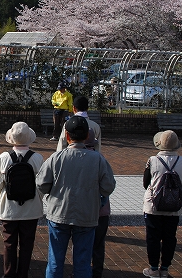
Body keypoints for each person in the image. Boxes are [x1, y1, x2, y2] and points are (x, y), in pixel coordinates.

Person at [36, 116, 116, 278]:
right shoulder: (98, 159)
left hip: (58, 213)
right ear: (87, 135)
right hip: (87, 215)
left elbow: (41, 184)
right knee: (82, 263)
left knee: (55, 262)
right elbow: (108, 187)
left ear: (66, 136)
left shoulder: (56, 158)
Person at [55, 97, 107, 278]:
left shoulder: (67, 125)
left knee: (56, 256)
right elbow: (108, 184)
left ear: (74, 107)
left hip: (66, 183)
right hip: (92, 175)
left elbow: (61, 149)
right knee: (87, 252)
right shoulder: (96, 126)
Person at [0, 122, 44, 278]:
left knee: (9, 243)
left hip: (9, 208)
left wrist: (2, 199)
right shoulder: (37, 158)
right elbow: (41, 185)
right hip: (31, 208)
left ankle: (8, 274)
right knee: (27, 243)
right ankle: (23, 274)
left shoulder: (4, 157)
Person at [142, 130, 182, 278]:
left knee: (153, 237)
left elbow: (145, 183)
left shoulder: (152, 160)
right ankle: (165, 268)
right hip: (174, 205)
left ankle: (153, 268)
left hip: (153, 206)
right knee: (170, 237)